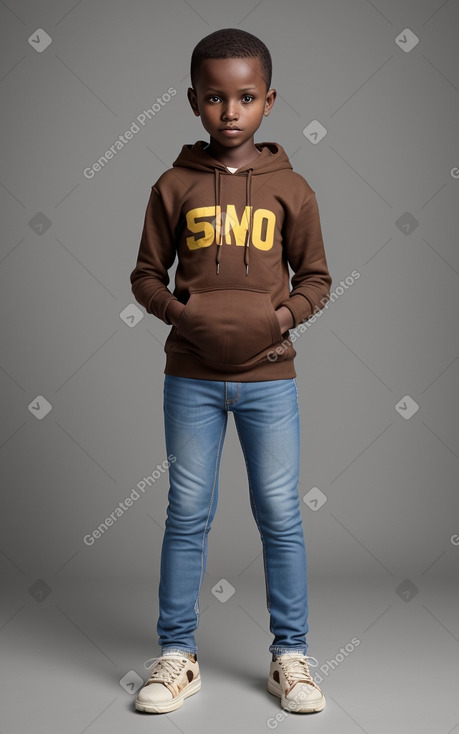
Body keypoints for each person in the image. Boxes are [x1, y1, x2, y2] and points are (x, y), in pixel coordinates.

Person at [129, 27, 332, 715]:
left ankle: (291, 658)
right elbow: (146, 276)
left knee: (279, 513)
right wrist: (182, 318)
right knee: (187, 512)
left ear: (268, 100)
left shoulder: (293, 190)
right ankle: (175, 656)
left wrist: (279, 321)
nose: (229, 111)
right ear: (193, 100)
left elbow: (317, 280)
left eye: (245, 97)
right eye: (215, 98)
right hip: (189, 378)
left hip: (269, 380)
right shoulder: (173, 184)